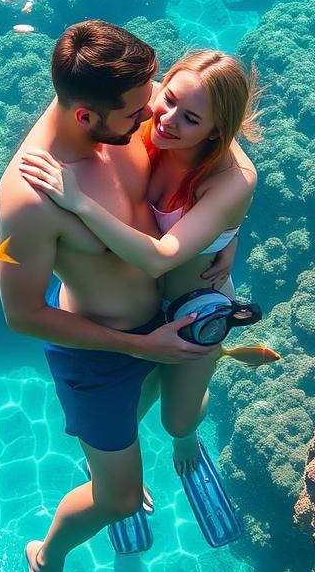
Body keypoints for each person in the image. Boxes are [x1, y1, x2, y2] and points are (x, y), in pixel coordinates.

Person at [0, 23, 235, 572]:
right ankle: (47, 556)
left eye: (153, 95)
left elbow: (213, 151)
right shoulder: (30, 196)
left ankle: (142, 458)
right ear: (86, 114)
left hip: (163, 315)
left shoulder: (129, 115)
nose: (153, 113)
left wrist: (228, 240)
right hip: (99, 353)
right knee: (120, 501)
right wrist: (139, 346)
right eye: (141, 107)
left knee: (163, 413)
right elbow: (22, 315)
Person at [19, 49, 259, 476]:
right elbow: (81, 90)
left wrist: (79, 202)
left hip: (194, 308)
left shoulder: (232, 177)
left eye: (191, 120)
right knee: (137, 398)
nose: (167, 121)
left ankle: (187, 438)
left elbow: (161, 257)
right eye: (169, 99)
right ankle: (118, 458)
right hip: (144, 312)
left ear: (217, 129)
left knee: (176, 419)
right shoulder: (147, 116)